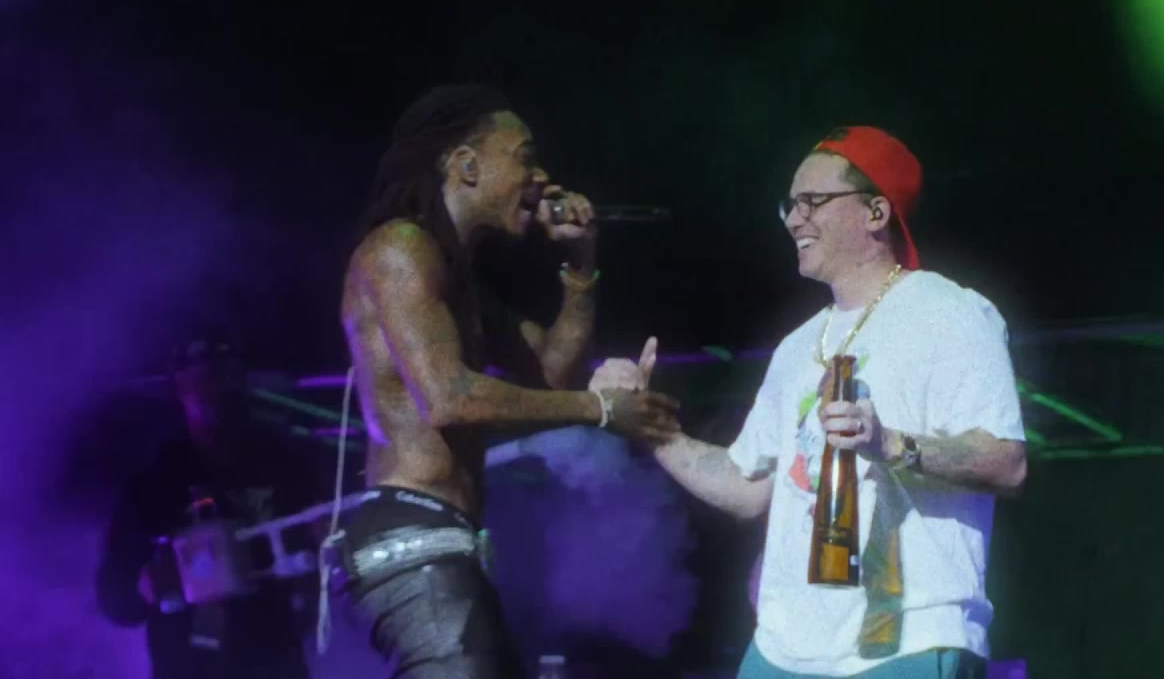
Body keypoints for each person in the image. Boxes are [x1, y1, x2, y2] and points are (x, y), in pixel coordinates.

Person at [593, 126, 1027, 678]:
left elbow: (1007, 462)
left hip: (906, 638)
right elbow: (747, 487)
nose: (794, 219)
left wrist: (889, 442)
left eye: (812, 201)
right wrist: (647, 427)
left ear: (875, 212)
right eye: (789, 205)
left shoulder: (951, 313)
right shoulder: (796, 348)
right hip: (783, 648)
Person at [337, 84, 681, 678]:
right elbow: (450, 398)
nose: (541, 177)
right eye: (525, 157)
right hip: (414, 540)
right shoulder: (400, 249)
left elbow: (553, 372)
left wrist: (580, 264)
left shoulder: (455, 278)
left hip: (447, 540)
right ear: (466, 164)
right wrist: (600, 409)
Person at [94, 331, 321, 679]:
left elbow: (337, 542)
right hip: (188, 667)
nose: (214, 390)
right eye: (198, 380)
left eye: (226, 376)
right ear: (179, 390)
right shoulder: (153, 485)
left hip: (276, 661)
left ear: (242, 382)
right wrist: (145, 585)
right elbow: (114, 597)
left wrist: (325, 545)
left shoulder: (285, 464)